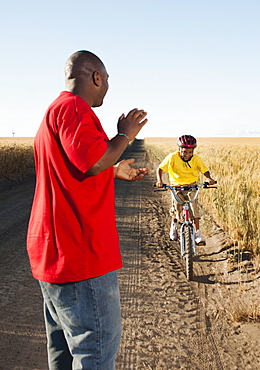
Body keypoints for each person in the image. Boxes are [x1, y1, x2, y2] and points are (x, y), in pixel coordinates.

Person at [26, 50, 148, 370]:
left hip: (52, 252)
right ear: (95, 77)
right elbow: (94, 161)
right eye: (106, 79)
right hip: (80, 254)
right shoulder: (75, 108)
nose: (107, 85)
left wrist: (114, 169)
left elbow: (75, 167)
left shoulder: (54, 111)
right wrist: (125, 134)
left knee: (64, 349)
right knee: (96, 347)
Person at [156, 135, 216, 245]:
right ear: (179, 149)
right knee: (177, 206)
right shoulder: (172, 157)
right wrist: (159, 181)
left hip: (191, 185)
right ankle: (174, 226)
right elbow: (160, 169)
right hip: (176, 186)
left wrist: (209, 178)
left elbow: (204, 169)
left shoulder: (196, 159)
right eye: (184, 152)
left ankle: (198, 232)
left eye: (190, 152)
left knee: (194, 207)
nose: (187, 154)